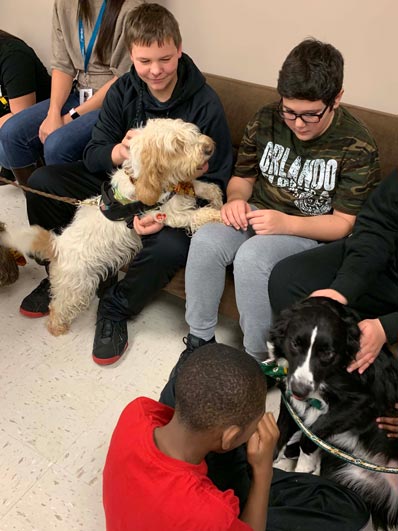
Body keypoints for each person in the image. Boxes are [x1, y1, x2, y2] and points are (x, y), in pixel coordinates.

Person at [18, 3, 233, 365]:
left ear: (179, 49)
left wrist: (147, 207)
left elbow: (215, 178)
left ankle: (115, 308)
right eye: (144, 61)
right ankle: (62, 270)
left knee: (169, 247)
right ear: (131, 55)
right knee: (43, 180)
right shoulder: (124, 91)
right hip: (118, 183)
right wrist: (119, 151)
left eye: (165, 59)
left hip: (172, 197)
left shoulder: (204, 103)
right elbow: (94, 154)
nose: (155, 70)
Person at [179, 38, 380, 363]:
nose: (298, 124)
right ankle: (199, 341)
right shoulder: (266, 118)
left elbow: (343, 224)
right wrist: (235, 200)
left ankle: (260, 359)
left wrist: (284, 223)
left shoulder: (357, 145)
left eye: (311, 115)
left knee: (252, 258)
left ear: (337, 99)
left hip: (313, 232)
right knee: (205, 240)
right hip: (259, 212)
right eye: (290, 111)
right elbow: (243, 179)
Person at [103, 343, 371, 530]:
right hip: (199, 509)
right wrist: (263, 470)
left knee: (200, 388)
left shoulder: (136, 412)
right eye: (254, 425)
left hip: (166, 495)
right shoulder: (212, 513)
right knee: (351, 511)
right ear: (229, 438)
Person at [268, 168, 398, 438]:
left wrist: (387, 327)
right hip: (384, 265)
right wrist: (342, 289)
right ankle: (307, 369)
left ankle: (345, 395)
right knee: (287, 278)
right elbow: (377, 226)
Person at [0, 0, 137, 186]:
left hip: (113, 101)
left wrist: (71, 116)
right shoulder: (65, 5)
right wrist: (53, 113)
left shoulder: (131, 8)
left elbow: (122, 77)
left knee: (57, 144)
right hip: (79, 92)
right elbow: (62, 65)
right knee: (11, 133)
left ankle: (63, 207)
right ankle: (39, 200)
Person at [0, 29, 51, 182]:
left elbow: (20, 121)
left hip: (37, 126)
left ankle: (34, 173)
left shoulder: (13, 55)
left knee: (6, 147)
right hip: (8, 119)